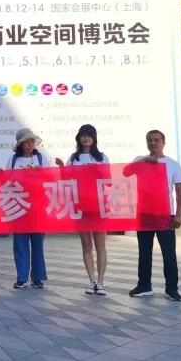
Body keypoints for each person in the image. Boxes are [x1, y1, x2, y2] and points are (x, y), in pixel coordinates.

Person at [128, 129, 181, 301]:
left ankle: (172, 289)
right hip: (144, 214)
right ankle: (144, 286)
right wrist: (144, 160)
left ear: (163, 142)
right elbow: (126, 172)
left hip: (164, 216)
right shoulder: (140, 161)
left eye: (156, 140)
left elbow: (180, 191)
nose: (153, 143)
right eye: (150, 140)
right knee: (144, 253)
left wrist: (178, 216)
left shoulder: (172, 164)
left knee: (169, 254)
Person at [55, 124, 109, 295]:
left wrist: (97, 170)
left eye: (89, 135)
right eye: (83, 135)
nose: (85, 138)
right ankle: (91, 281)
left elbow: (108, 181)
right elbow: (66, 179)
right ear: (78, 138)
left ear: (94, 138)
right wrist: (62, 167)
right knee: (86, 246)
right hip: (80, 206)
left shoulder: (102, 157)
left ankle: (101, 282)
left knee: (100, 246)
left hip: (99, 205)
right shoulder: (74, 158)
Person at [9, 127, 48, 290]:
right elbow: (8, 181)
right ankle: (22, 277)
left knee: (38, 243)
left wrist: (39, 173)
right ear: (20, 144)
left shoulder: (41, 158)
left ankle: (37, 277)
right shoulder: (13, 160)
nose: (30, 144)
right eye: (26, 141)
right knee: (20, 242)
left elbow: (50, 178)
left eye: (32, 141)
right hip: (19, 206)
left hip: (38, 206)